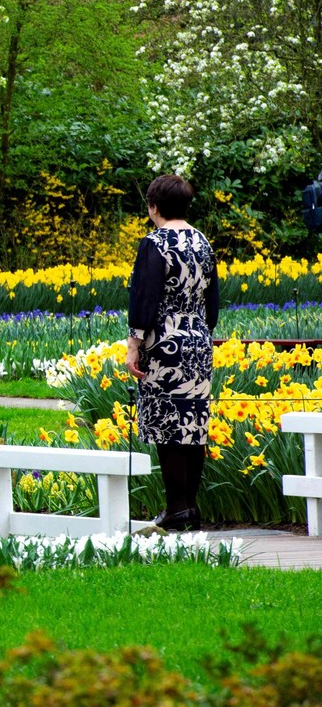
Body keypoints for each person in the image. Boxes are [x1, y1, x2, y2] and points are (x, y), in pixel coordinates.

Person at [126, 174, 219, 531]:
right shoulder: (202, 241)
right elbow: (212, 301)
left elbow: (144, 297)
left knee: (168, 424)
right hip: (198, 338)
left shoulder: (155, 243)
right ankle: (190, 507)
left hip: (164, 341)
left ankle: (175, 508)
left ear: (154, 207)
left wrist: (134, 344)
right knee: (193, 424)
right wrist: (200, 330)